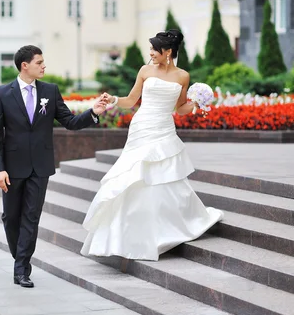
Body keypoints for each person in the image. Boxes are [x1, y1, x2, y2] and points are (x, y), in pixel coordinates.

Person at [81, 29, 223, 261]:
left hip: (164, 129)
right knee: (134, 175)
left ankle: (164, 229)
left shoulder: (182, 76)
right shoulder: (145, 70)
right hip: (142, 128)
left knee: (162, 175)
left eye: (155, 50)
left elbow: (181, 108)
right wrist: (113, 100)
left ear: (168, 52)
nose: (151, 54)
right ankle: (127, 234)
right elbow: (130, 101)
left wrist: (198, 102)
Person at [0, 45, 107, 288]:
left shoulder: (50, 91)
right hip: (11, 168)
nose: (44, 66)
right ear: (25, 66)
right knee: (11, 218)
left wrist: (93, 112)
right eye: (39, 62)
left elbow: (70, 122)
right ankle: (19, 255)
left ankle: (22, 267)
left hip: (40, 167)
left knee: (31, 217)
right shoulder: (2, 94)